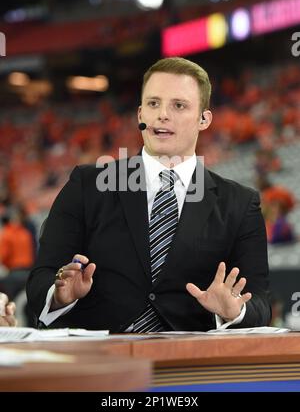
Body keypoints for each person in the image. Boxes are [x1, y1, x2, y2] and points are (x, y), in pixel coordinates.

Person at [26, 57, 271, 332]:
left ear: (204, 119)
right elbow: (41, 279)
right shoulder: (87, 185)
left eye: (178, 105)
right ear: (141, 114)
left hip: (191, 364)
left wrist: (235, 310)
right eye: (154, 103)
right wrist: (60, 295)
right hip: (100, 361)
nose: (162, 114)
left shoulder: (240, 203)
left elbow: (260, 304)